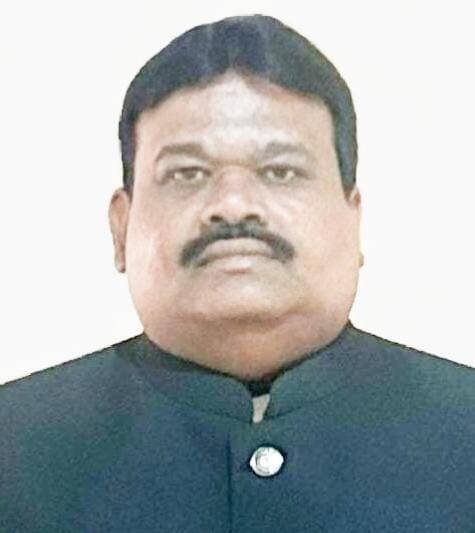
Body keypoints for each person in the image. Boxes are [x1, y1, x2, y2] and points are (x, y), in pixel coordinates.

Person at [1, 14, 474, 532]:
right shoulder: (14, 448)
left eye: (281, 171)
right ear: (121, 228)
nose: (232, 204)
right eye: (187, 173)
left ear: (354, 218)